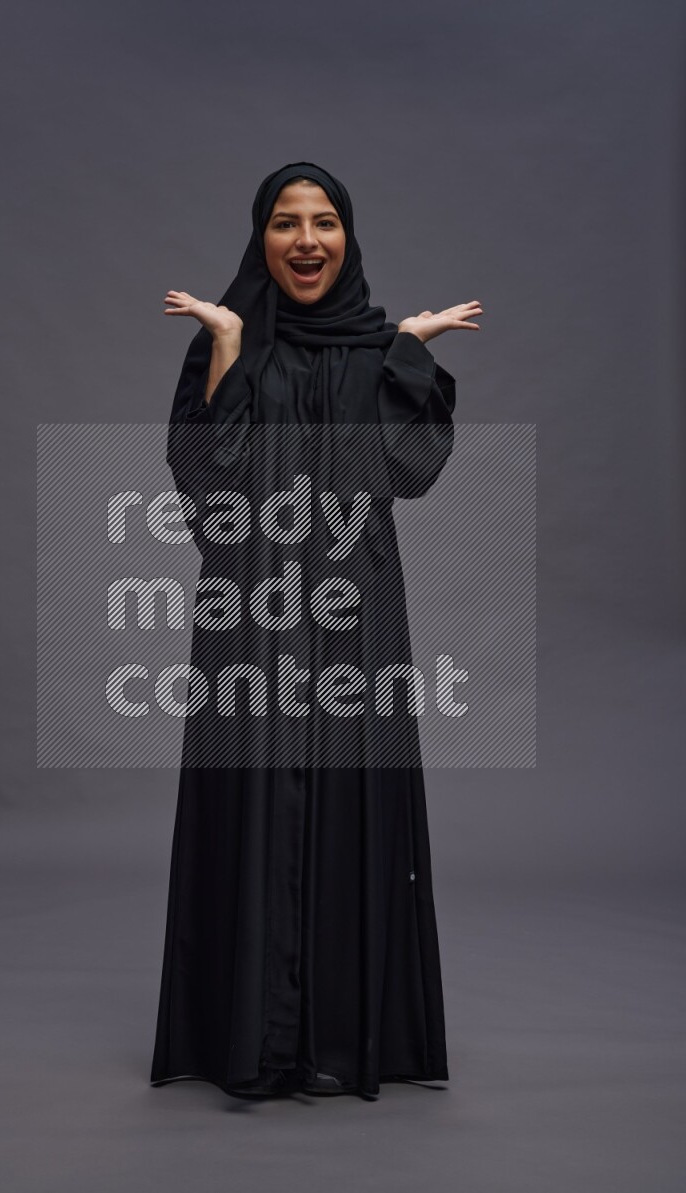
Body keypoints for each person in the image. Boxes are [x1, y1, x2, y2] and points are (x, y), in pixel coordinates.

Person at [150, 161, 482, 1101]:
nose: (306, 241)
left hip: (355, 619)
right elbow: (209, 496)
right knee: (253, 798)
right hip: (250, 611)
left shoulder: (375, 350)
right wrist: (225, 349)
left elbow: (406, 476)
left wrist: (408, 352)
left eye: (324, 222)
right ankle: (251, 1038)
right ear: (261, 237)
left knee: (350, 800)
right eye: (287, 223)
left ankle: (342, 1037)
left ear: (347, 236)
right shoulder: (230, 342)